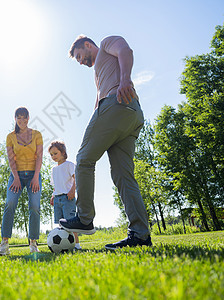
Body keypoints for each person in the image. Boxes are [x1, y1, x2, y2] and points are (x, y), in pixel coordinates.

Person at [59, 35, 152, 250]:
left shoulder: (106, 43)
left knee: (83, 159)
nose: (81, 61)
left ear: (89, 45)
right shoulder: (98, 73)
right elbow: (97, 101)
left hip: (117, 103)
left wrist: (126, 79)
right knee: (123, 176)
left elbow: (126, 51)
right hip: (130, 115)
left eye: (80, 56)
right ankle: (140, 235)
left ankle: (84, 218)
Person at [0, 107, 43, 255]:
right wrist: (16, 178)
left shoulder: (37, 135)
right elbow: (11, 159)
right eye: (18, 118)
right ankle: (4, 244)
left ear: (28, 118)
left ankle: (33, 243)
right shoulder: (10, 137)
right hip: (16, 176)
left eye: (24, 117)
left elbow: (40, 157)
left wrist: (36, 177)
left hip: (33, 175)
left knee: (34, 207)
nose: (22, 120)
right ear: (15, 119)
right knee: (10, 204)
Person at [49, 141, 81, 250]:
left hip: (68, 198)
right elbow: (55, 185)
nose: (53, 156)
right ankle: (64, 246)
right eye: (51, 155)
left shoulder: (69, 165)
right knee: (60, 224)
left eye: (55, 153)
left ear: (63, 152)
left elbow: (76, 178)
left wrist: (72, 190)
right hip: (57, 198)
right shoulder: (54, 169)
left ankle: (77, 244)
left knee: (70, 221)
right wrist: (53, 196)